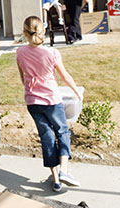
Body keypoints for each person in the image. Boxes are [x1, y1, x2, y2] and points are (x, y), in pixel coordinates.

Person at [16, 16, 83, 193]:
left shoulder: (20, 52)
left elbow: (23, 78)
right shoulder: (51, 53)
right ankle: (64, 171)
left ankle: (56, 181)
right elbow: (65, 76)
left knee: (47, 138)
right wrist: (77, 91)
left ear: (24, 33)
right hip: (52, 101)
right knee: (62, 132)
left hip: (32, 102)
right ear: (43, 31)